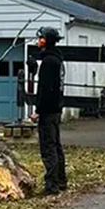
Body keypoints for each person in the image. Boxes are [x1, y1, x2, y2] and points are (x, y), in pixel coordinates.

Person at [33, 28, 68, 194]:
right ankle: (61, 180)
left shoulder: (48, 62)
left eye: (41, 38)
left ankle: (51, 185)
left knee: (48, 147)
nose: (39, 41)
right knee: (56, 145)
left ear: (46, 41)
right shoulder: (58, 60)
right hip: (56, 109)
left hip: (48, 111)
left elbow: (45, 88)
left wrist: (38, 110)